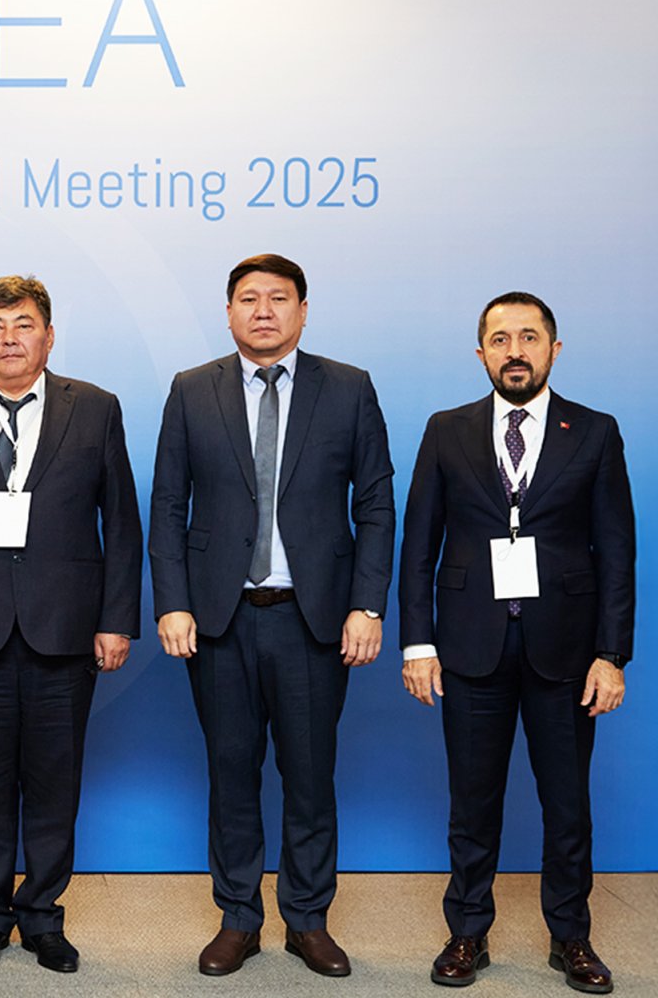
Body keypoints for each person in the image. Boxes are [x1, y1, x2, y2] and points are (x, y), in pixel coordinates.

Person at [148, 253, 395, 978]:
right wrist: (173, 602)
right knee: (231, 774)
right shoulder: (192, 389)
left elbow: (375, 504)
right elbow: (167, 504)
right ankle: (238, 918)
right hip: (218, 620)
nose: (264, 311)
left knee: (310, 777)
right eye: (249, 298)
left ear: (303, 311)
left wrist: (367, 606)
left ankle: (308, 920)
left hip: (313, 620)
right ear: (228, 312)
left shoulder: (348, 388)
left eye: (279, 298)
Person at [399, 292, 635, 993]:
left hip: (566, 653)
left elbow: (617, 551)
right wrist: (417, 645)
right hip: (469, 649)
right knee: (472, 803)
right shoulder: (446, 430)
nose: (515, 351)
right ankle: (467, 933)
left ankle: (571, 938)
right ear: (481, 354)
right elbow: (419, 547)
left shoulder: (594, 431)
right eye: (500, 340)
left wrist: (611, 655)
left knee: (567, 806)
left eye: (529, 338)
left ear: (554, 350)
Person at [0, 275, 142, 973]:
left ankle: (42, 916)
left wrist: (116, 620)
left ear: (48, 336)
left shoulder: (95, 407)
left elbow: (122, 521)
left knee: (54, 783)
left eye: (23, 325)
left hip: (66, 630)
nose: (9, 338)